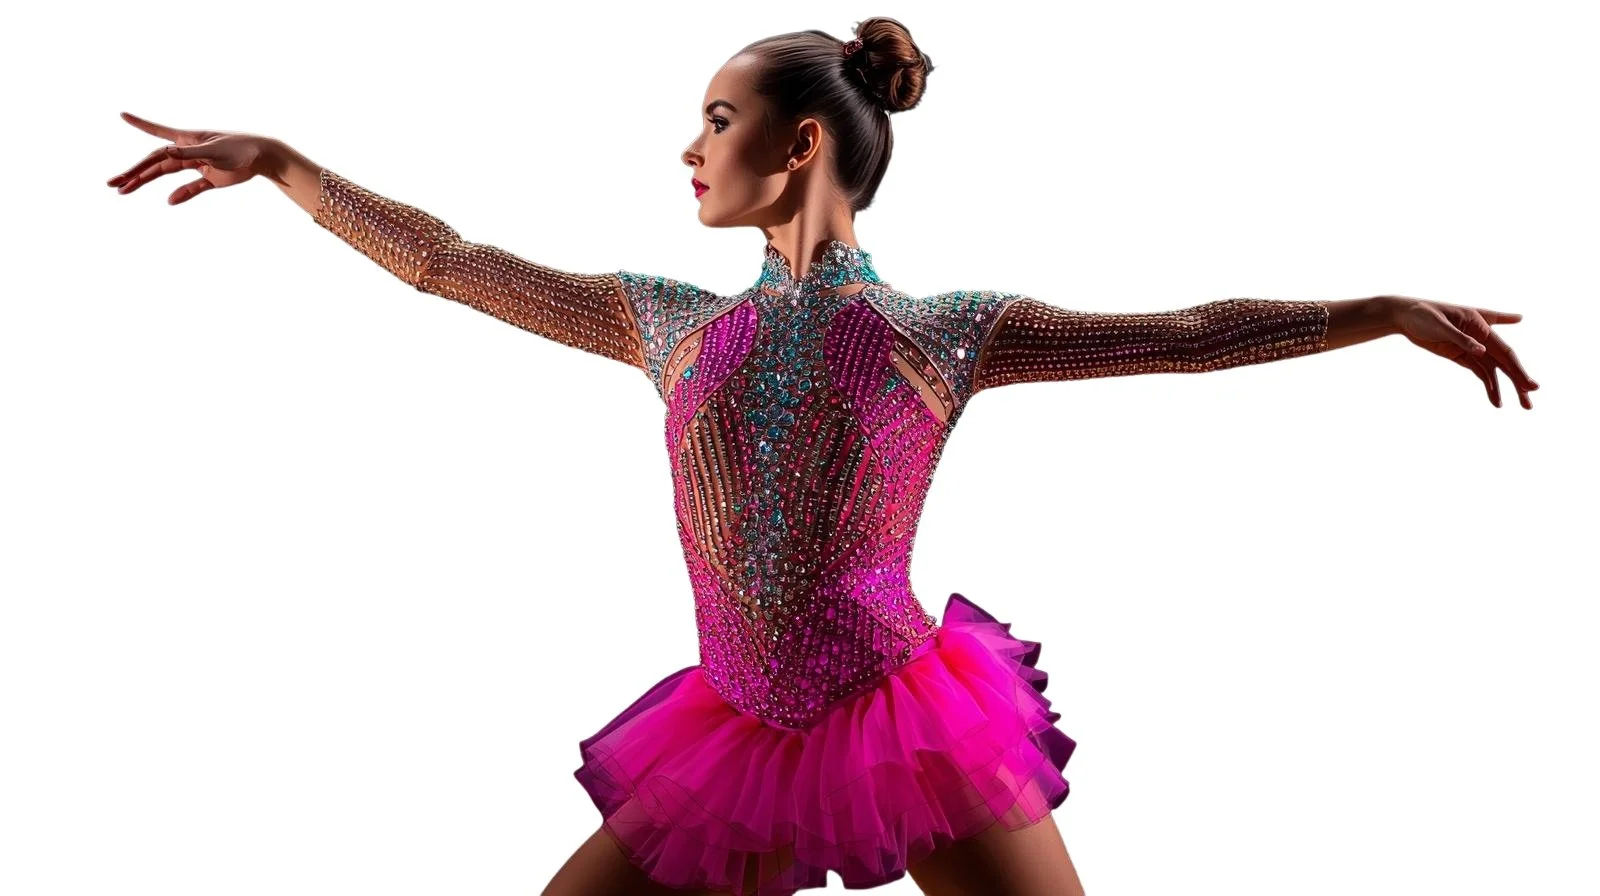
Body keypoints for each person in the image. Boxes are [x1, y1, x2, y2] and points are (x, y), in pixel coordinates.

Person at [104, 15, 1539, 896]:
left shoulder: (951, 333)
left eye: (715, 121)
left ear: (799, 146)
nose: (688, 148)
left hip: (906, 717)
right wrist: (288, 165)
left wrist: (1378, 313)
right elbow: (454, 265)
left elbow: (1181, 335)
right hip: (730, 725)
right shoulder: (661, 323)